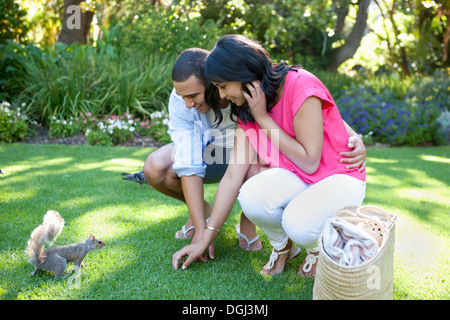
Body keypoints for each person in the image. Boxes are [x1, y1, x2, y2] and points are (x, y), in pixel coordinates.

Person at [172, 35, 366, 278]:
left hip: (337, 176)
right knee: (251, 195)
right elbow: (232, 176)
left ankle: (318, 248)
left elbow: (309, 160)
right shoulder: (246, 109)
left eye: (223, 86)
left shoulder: (299, 85)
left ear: (241, 73)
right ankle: (284, 246)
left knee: (299, 225)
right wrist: (205, 237)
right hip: (299, 177)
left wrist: (263, 118)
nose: (221, 96)